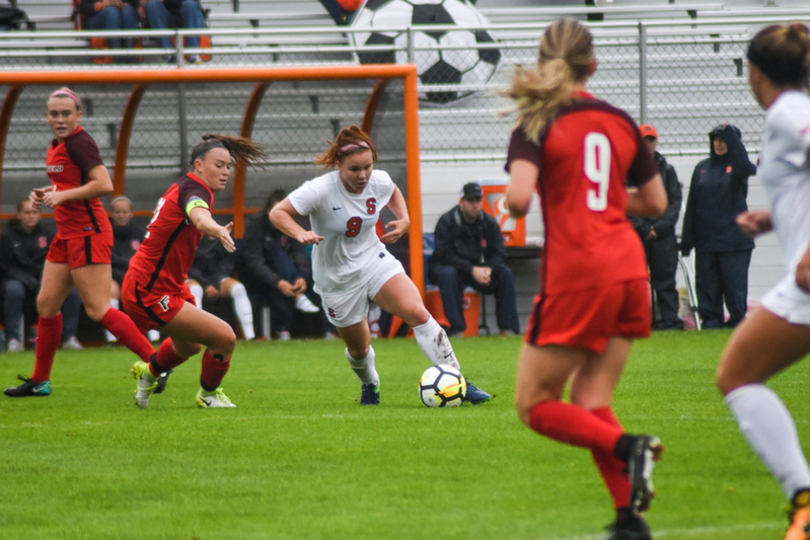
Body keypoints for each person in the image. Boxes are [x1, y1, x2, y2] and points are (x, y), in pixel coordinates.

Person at [503, 19, 668, 539]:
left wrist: (560, 190)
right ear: (592, 66)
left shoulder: (538, 116)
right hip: (628, 266)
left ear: (543, 60)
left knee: (534, 403)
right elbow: (657, 203)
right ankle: (629, 521)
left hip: (581, 270)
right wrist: (600, 196)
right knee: (593, 401)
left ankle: (628, 446)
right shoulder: (620, 120)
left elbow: (518, 199)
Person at [269, 124, 491, 405]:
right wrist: (299, 232)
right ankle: (370, 383)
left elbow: (394, 190)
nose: (363, 175)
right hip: (337, 280)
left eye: (368, 167)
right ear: (339, 165)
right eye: (354, 169)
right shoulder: (320, 190)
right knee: (359, 350)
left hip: (374, 261)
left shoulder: (379, 180)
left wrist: (405, 218)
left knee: (418, 313)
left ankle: (458, 380)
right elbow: (278, 213)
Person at [716, 23, 810, 540]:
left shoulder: (788, 113)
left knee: (737, 375)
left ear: (755, 71)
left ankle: (804, 499)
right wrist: (773, 219)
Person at [4, 88, 157, 398]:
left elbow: (104, 184)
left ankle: (157, 363)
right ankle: (40, 381)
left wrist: (61, 195)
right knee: (46, 305)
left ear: (78, 116)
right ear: (46, 116)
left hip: (88, 232)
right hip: (67, 232)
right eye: (54, 114)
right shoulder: (58, 144)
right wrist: (47, 192)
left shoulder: (81, 142)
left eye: (66, 114)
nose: (60, 119)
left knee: (99, 309)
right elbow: (71, 184)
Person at [123, 133, 267, 409]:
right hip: (149, 288)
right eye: (219, 165)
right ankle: (208, 395)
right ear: (199, 165)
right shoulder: (195, 191)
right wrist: (215, 228)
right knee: (224, 337)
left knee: (189, 346)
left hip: (168, 283)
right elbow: (199, 215)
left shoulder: (189, 187)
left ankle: (148, 372)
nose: (225, 172)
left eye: (228, 166)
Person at [681, 122, 757, 328]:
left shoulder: (739, 167)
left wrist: (730, 133)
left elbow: (748, 167)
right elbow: (692, 206)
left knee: (734, 289)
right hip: (707, 242)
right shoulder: (702, 168)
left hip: (735, 242)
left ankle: (735, 324)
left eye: (724, 139)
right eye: (716, 139)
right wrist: (687, 242)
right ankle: (711, 323)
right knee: (707, 288)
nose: (719, 143)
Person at [428, 181, 520, 337]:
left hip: (479, 270)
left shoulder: (489, 223)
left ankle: (508, 329)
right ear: (461, 202)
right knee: (447, 273)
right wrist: (471, 269)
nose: (475, 205)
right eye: (471, 200)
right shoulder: (446, 222)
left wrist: (489, 269)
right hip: (454, 270)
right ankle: (457, 330)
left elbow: (499, 253)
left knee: (504, 273)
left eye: (478, 200)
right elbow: (444, 255)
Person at [237, 189, 325, 342]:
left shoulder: (290, 227)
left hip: (285, 278)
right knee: (278, 256)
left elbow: (300, 255)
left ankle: (330, 332)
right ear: (268, 211)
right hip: (258, 280)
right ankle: (296, 303)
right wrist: (277, 282)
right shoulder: (256, 228)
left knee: (317, 280)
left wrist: (302, 277)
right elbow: (255, 262)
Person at [0, 199, 83, 352]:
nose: (31, 216)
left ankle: (69, 338)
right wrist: (28, 280)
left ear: (39, 215)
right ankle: (13, 340)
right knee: (13, 290)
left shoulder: (50, 235)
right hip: (18, 281)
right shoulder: (7, 237)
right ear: (19, 215)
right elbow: (6, 268)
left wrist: (44, 280)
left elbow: (58, 262)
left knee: (72, 291)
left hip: (44, 279)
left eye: (34, 212)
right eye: (27, 213)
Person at [629, 124, 684, 331]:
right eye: (644, 141)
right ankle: (639, 323)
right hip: (637, 234)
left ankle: (670, 322)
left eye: (651, 140)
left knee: (665, 281)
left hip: (663, 235)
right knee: (635, 282)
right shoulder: (629, 169)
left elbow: (674, 203)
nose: (648, 144)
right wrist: (643, 227)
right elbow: (625, 203)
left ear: (656, 142)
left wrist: (658, 228)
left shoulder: (667, 170)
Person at [186, 229, 256, 341]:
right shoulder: (186, 234)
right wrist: (206, 284)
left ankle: (250, 336)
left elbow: (227, 263)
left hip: (218, 279)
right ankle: (197, 336)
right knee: (195, 290)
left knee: (238, 288)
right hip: (192, 278)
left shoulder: (222, 232)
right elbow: (187, 265)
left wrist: (216, 282)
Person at [108, 195, 160, 345]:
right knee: (111, 290)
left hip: (135, 275)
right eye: (118, 212)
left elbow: (147, 257)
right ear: (112, 214)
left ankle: (154, 337)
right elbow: (108, 258)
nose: (121, 216)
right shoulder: (106, 233)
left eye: (125, 212)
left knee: (144, 289)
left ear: (131, 213)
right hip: (113, 274)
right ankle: (113, 340)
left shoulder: (139, 234)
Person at [141, 0, 206, 63]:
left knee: (189, 4)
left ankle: (192, 54)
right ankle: (170, 55)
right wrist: (140, 7)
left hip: (189, 18)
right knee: (152, 4)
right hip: (165, 19)